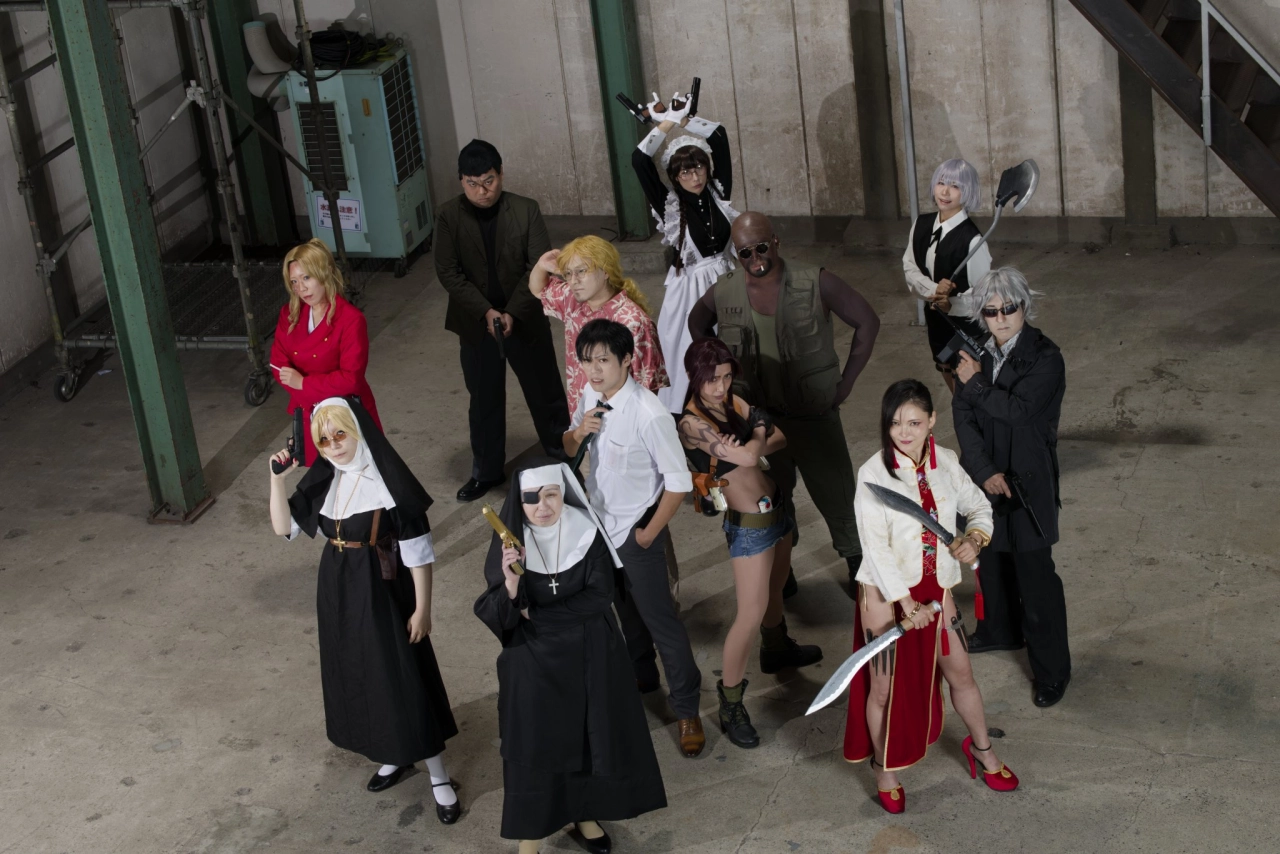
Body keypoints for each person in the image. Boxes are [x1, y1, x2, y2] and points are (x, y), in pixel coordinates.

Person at [267, 397, 460, 822]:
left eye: (340, 434)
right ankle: (395, 754)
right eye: (324, 439)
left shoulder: (389, 484)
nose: (334, 446)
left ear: (357, 431)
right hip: (337, 592)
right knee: (360, 673)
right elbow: (284, 528)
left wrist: (423, 609)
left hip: (381, 591)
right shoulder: (325, 479)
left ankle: (439, 776)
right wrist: (277, 481)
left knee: (400, 679)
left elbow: (418, 552)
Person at [474, 459, 667, 854]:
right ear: (520, 502)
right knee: (535, 745)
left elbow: (600, 596)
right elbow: (494, 612)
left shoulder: (586, 530)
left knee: (588, 738)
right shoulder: (509, 543)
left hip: (591, 653)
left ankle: (585, 812)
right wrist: (511, 586)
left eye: (551, 495)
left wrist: (536, 615)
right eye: (532, 499)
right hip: (533, 662)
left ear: (563, 494)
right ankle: (531, 833)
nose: (542, 506)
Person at [843, 380, 1017, 814]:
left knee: (962, 674)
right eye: (895, 423)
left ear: (932, 421)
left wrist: (974, 539)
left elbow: (979, 507)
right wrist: (905, 604)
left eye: (914, 423)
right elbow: (875, 549)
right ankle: (884, 769)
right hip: (884, 594)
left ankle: (983, 750)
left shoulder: (948, 463)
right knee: (882, 690)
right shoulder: (872, 474)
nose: (904, 432)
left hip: (937, 588)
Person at [689, 212, 881, 596]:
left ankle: (857, 567)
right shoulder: (725, 290)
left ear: (775, 241)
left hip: (814, 417)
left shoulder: (815, 281)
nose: (755, 258)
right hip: (762, 422)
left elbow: (868, 322)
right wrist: (720, 373)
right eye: (745, 252)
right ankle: (783, 572)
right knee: (774, 500)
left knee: (838, 496)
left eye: (761, 247)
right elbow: (698, 323)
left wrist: (844, 385)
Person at [562, 319, 704, 758]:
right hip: (600, 527)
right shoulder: (590, 397)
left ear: (627, 360)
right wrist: (578, 432)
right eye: (587, 361)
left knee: (662, 622)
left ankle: (687, 710)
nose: (593, 370)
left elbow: (678, 483)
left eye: (603, 360)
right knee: (624, 611)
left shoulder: (649, 414)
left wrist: (647, 535)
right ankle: (644, 678)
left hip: (636, 531)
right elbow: (567, 448)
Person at [677, 337, 822, 748]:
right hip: (749, 527)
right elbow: (749, 454)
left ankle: (776, 649)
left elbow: (780, 438)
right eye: (711, 379)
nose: (720, 387)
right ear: (694, 377)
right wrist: (757, 431)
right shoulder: (691, 423)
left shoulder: (730, 403)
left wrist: (753, 441)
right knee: (749, 613)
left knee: (775, 591)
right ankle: (731, 703)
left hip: (777, 510)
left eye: (726, 377)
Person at [952, 267, 1070, 708]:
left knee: (1036, 579)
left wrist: (976, 382)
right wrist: (984, 471)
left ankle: (1053, 672)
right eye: (990, 311)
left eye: (1009, 308)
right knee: (991, 560)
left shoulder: (1047, 358)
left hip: (1028, 481)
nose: (1000, 318)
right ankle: (999, 630)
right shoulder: (975, 353)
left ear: (1025, 306)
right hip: (986, 477)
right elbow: (962, 416)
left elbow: (1020, 412)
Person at [435, 139, 570, 502]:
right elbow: (448, 272)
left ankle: (565, 459)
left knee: (546, 394)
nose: (483, 191)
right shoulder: (448, 216)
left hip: (524, 318)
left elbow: (540, 266)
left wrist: (511, 312)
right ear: (461, 180)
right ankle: (486, 472)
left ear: (501, 174)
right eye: (473, 184)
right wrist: (486, 311)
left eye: (489, 181)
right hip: (475, 323)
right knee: (484, 401)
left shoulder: (526, 210)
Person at [631, 93, 739, 412]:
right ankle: (690, 414)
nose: (695, 178)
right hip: (691, 291)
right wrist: (668, 122)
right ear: (675, 177)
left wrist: (686, 118)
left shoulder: (719, 191)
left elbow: (718, 135)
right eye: (685, 173)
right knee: (691, 353)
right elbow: (639, 160)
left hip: (729, 281)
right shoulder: (669, 205)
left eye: (699, 169)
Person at [270, 238, 381, 465]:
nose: (301, 288)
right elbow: (278, 364)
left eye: (306, 278)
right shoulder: (289, 314)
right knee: (321, 479)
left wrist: (303, 384)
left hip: (346, 416)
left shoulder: (351, 319)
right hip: (308, 414)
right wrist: (305, 390)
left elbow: (351, 379)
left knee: (357, 477)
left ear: (325, 273)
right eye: (294, 281)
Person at [529, 234, 669, 413]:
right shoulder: (573, 299)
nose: (574, 281)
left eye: (581, 271)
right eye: (568, 273)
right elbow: (539, 289)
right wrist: (541, 265)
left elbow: (646, 388)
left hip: (618, 419)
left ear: (606, 271)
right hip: (580, 415)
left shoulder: (633, 322)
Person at [902, 158, 991, 392]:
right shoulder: (921, 225)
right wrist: (934, 291)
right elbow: (910, 268)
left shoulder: (973, 240)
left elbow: (984, 296)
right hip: (936, 321)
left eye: (955, 186)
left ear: (968, 191)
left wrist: (952, 305)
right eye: (941, 183)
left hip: (966, 326)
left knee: (966, 384)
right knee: (944, 367)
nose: (945, 191)